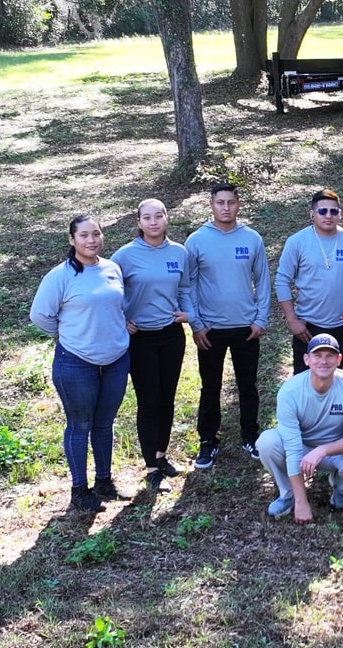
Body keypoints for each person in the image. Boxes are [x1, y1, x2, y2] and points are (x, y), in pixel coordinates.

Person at [30, 215, 131, 512]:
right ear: (72, 240)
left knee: (104, 423)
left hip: (115, 360)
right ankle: (79, 490)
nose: (91, 240)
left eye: (96, 234)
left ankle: (104, 481)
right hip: (76, 363)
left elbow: (116, 306)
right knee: (80, 424)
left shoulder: (112, 268)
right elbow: (40, 316)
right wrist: (66, 335)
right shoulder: (60, 276)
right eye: (84, 235)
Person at [186, 182, 271, 468]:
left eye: (231, 202)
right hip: (210, 330)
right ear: (211, 205)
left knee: (248, 385)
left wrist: (260, 319)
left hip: (246, 328)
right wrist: (196, 324)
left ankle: (250, 435)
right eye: (220, 202)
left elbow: (263, 280)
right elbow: (188, 286)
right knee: (210, 387)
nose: (226, 207)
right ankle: (208, 441)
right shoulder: (197, 241)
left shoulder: (252, 238)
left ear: (239, 204)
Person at [112, 199, 195, 491]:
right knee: (150, 402)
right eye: (147, 217)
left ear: (166, 218)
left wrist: (189, 314)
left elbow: (185, 288)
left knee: (168, 398)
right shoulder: (124, 256)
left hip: (171, 335)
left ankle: (161, 456)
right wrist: (122, 319)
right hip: (140, 339)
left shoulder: (179, 252)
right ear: (138, 222)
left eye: (158, 216)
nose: (153, 222)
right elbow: (109, 293)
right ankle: (151, 469)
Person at [257, 334, 343, 523]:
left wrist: (323, 450)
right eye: (317, 355)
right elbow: (293, 447)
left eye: (330, 355)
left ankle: (341, 490)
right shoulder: (290, 390)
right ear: (306, 359)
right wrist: (303, 503)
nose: (324, 361)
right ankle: (289, 495)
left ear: (339, 359)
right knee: (267, 442)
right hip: (302, 448)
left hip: (336, 451)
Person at [275, 188, 343, 374]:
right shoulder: (297, 242)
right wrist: (292, 320)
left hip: (341, 324)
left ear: (340, 214)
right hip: (307, 325)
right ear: (312, 214)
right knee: (304, 381)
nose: (328, 215)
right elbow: (282, 280)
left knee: (334, 378)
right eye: (322, 211)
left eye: (334, 211)